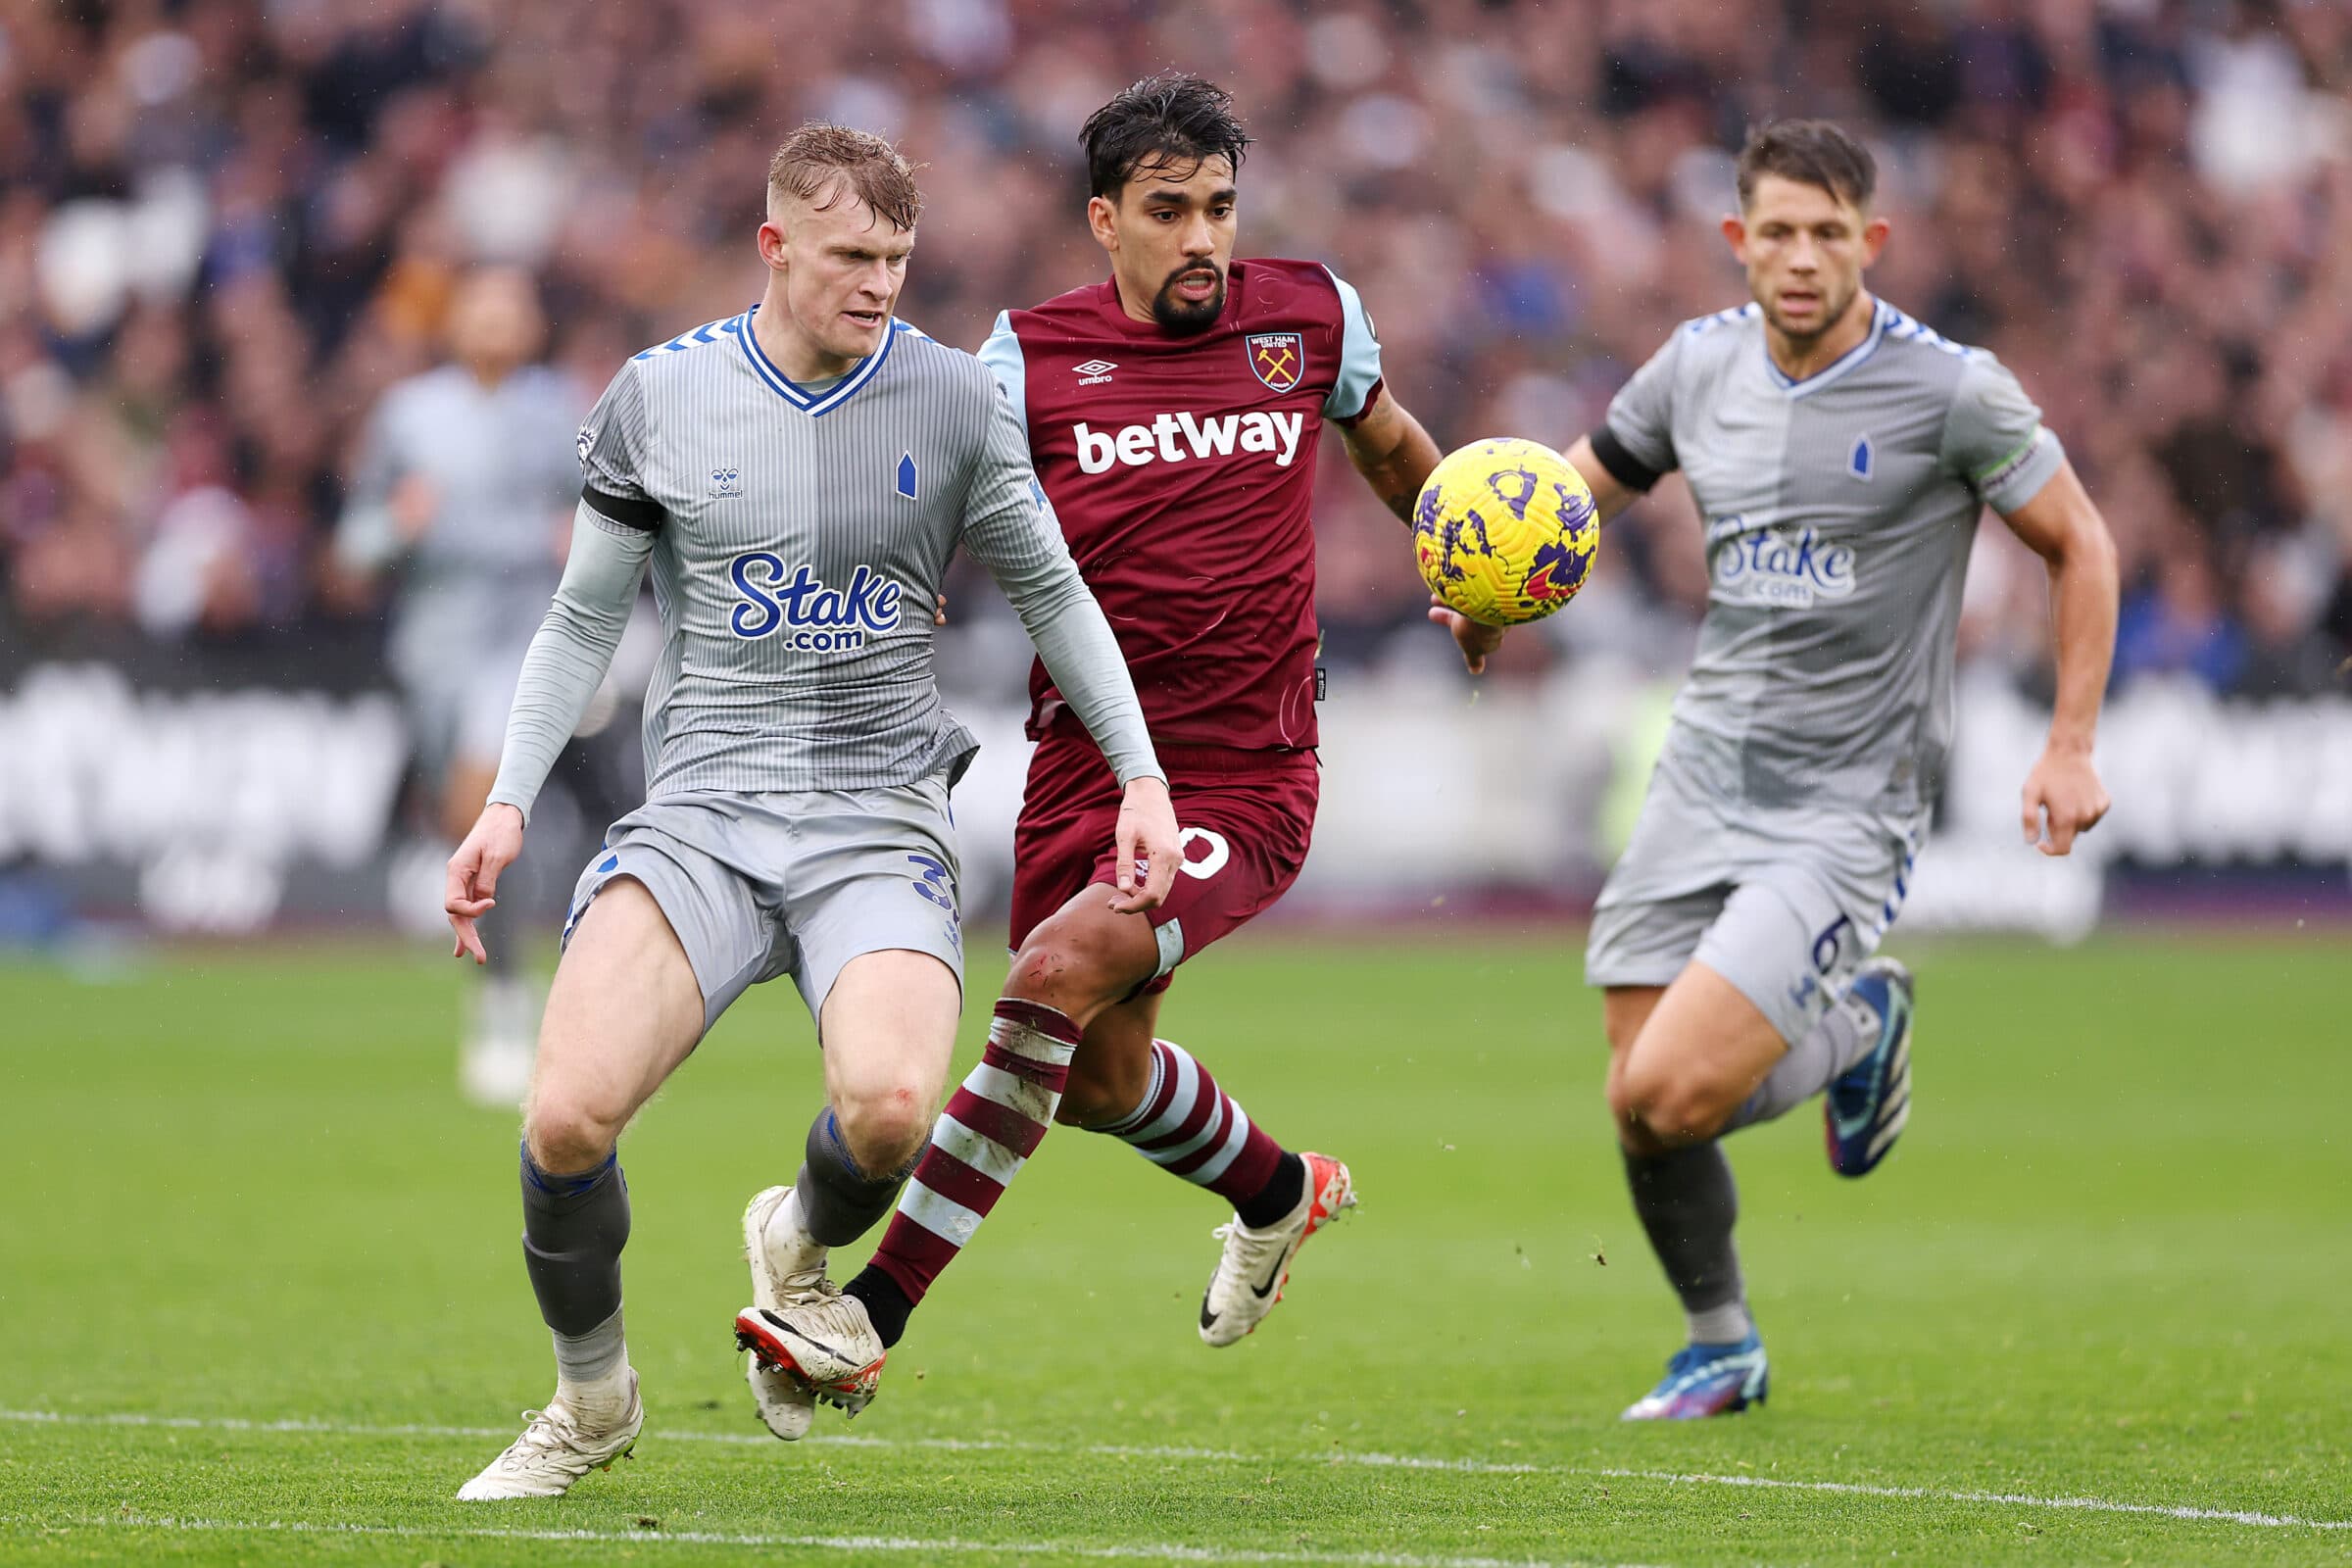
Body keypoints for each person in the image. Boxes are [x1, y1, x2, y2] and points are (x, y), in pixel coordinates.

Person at [737, 73, 1497, 1429]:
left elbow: (1390, 449)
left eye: (1219, 207)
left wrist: (1468, 567)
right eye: (1169, 211)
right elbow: (922, 506)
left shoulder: (1309, 316)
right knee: (1089, 1076)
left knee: (1053, 970)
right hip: (1083, 768)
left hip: (1245, 774)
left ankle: (868, 1315)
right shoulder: (1028, 357)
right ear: (1107, 221)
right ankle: (1277, 1192)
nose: (1203, 237)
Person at [444, 123, 1180, 1499]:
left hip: (879, 819)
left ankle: (797, 1227)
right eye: (852, 255)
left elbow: (1056, 596)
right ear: (776, 246)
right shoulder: (659, 398)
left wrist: (1141, 773)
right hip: (703, 819)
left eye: (899, 258)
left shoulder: (957, 402)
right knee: (562, 1124)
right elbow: (580, 620)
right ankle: (592, 1398)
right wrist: (505, 804)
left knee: (895, 1112)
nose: (881, 282)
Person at [1460, 120, 2117, 1419]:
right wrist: (1493, 594)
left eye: (1830, 234)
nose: (1803, 257)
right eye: (1779, 232)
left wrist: (2072, 740)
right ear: (1737, 241)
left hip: (1846, 800)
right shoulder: (1695, 367)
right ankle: (1722, 1344)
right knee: (1638, 1103)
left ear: (1872, 242)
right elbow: (1577, 495)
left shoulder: (1952, 391)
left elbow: (2079, 543)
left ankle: (1863, 1019)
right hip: (1702, 774)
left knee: (1671, 1088)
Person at [335, 268, 581, 1106]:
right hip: (433, 646)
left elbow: (610, 514)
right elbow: (356, 543)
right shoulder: (411, 415)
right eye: (481, 308)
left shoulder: (561, 412)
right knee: (459, 814)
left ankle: (508, 1006)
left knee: (483, 794)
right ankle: (503, 981)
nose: (496, 324)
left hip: (522, 639)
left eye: (512, 310)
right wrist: (392, 529)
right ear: (455, 322)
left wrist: (579, 535)